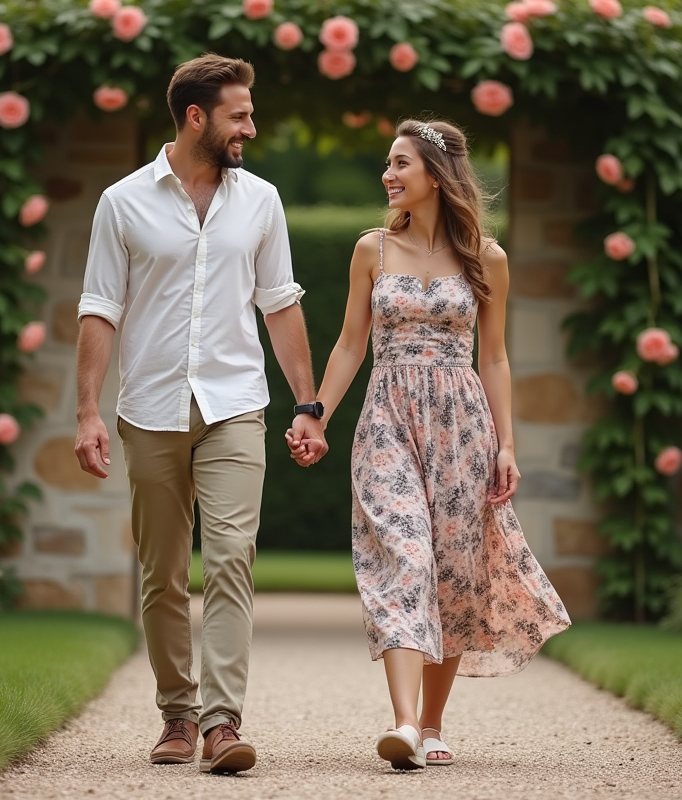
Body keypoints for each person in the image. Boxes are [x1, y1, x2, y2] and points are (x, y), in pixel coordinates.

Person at [289, 118, 571, 770]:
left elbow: (494, 358)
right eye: (388, 164)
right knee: (408, 557)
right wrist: (315, 415)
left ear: (435, 175)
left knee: (451, 572)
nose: (388, 175)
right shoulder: (372, 250)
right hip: (387, 419)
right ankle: (406, 724)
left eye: (399, 164)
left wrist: (507, 444)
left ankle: (434, 722)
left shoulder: (486, 258)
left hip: (461, 426)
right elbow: (350, 343)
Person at [74, 53, 328, 775]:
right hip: (149, 406)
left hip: (236, 405)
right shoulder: (122, 202)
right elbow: (100, 307)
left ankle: (222, 721)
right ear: (196, 117)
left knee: (231, 557)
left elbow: (280, 305)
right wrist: (88, 412)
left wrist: (307, 405)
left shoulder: (263, 202)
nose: (252, 125)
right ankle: (177, 713)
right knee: (162, 573)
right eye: (239, 114)